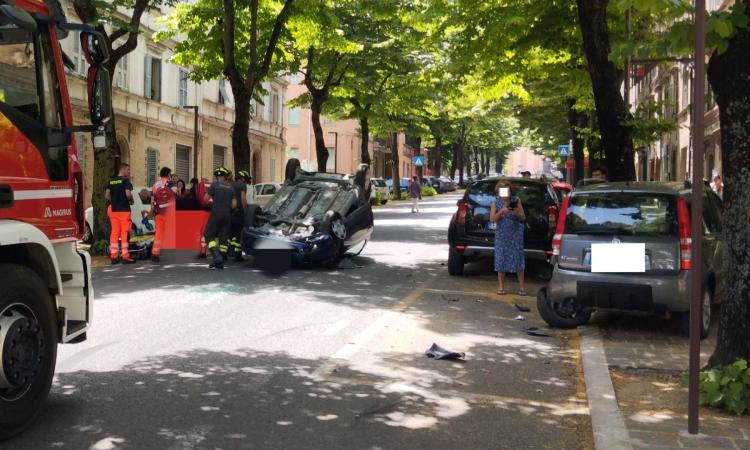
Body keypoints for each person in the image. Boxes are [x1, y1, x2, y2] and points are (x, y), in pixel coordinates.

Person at [489, 181, 527, 296]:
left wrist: (516, 213)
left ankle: (522, 287)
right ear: (499, 192)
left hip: (515, 234)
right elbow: (492, 219)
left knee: (518, 259)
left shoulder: (516, 200)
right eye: (502, 191)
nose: (505, 194)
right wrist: (501, 211)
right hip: (502, 235)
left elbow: (523, 217)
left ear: (510, 191)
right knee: (501, 259)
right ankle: (501, 287)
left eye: (507, 190)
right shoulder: (495, 203)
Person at [203, 166, 236, 269]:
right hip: (227, 215)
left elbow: (205, 199)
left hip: (216, 213)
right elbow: (234, 205)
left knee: (208, 235)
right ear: (225, 177)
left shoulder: (215, 185)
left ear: (217, 176)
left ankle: (216, 256)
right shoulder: (231, 187)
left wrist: (214, 200)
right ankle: (220, 260)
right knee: (223, 239)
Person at [105, 163, 135, 264]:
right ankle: (125, 256)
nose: (129, 172)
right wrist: (131, 200)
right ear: (124, 169)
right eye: (128, 169)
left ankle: (114, 256)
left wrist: (114, 201)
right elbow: (128, 194)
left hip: (114, 210)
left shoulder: (111, 180)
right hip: (124, 210)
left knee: (114, 233)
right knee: (124, 233)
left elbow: (107, 196)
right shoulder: (125, 180)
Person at [151, 167, 178, 262]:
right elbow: (175, 195)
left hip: (159, 212)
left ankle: (155, 253)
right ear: (168, 175)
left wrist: (153, 213)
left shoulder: (155, 184)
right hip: (169, 212)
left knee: (158, 233)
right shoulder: (171, 184)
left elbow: (153, 200)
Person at [228, 170, 250, 262]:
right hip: (238, 212)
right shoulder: (242, 186)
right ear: (243, 178)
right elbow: (243, 198)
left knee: (229, 234)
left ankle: (226, 253)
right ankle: (237, 255)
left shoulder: (230, 184)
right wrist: (246, 211)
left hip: (229, 212)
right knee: (237, 234)